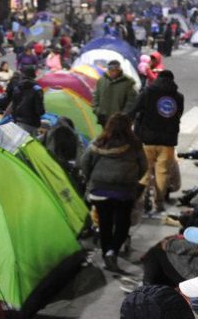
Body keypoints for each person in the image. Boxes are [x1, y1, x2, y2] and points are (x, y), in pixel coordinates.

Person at [79, 113, 147, 272]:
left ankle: (106, 255)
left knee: (105, 224)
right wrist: (132, 179)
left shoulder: (98, 142)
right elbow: (144, 166)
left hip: (99, 190)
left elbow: (84, 162)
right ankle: (112, 251)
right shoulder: (135, 144)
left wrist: (92, 179)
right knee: (123, 224)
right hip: (124, 191)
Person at [131, 70, 183, 213]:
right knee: (163, 173)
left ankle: (141, 200)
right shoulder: (178, 97)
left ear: (158, 79)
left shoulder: (148, 92)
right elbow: (178, 115)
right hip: (168, 142)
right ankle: (159, 203)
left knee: (145, 171)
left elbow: (134, 109)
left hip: (147, 139)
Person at [93, 60, 138, 126]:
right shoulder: (102, 80)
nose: (114, 72)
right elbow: (96, 96)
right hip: (103, 118)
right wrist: (97, 111)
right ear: (108, 70)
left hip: (119, 121)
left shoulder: (128, 82)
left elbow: (131, 101)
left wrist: (122, 115)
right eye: (111, 70)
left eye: (116, 70)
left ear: (119, 70)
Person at [8, 66, 45, 136]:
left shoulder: (17, 88)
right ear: (34, 75)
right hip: (32, 123)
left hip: (18, 121)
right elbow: (40, 110)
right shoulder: (37, 89)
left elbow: (13, 106)